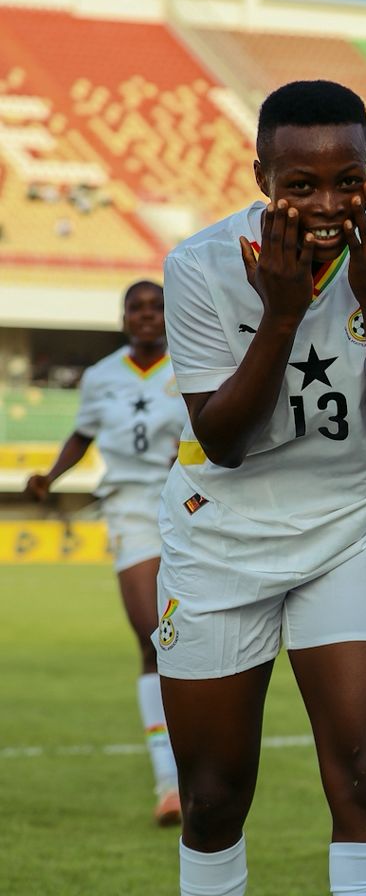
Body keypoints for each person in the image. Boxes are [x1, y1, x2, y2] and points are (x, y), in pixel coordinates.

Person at [157, 80, 366, 896]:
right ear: (260, 179)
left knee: (364, 779)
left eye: (347, 180)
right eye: (300, 185)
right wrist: (281, 314)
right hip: (223, 533)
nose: (328, 203)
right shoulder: (202, 265)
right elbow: (224, 441)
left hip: (350, 526)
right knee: (211, 799)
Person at [24, 280, 186, 826]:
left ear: (170, 314)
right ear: (123, 319)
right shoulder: (101, 376)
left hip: (190, 504)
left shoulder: (194, 364)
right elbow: (83, 434)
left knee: (195, 639)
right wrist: (51, 475)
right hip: (131, 508)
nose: (147, 315)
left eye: (157, 306)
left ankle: (202, 763)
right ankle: (169, 782)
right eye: (136, 308)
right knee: (152, 638)